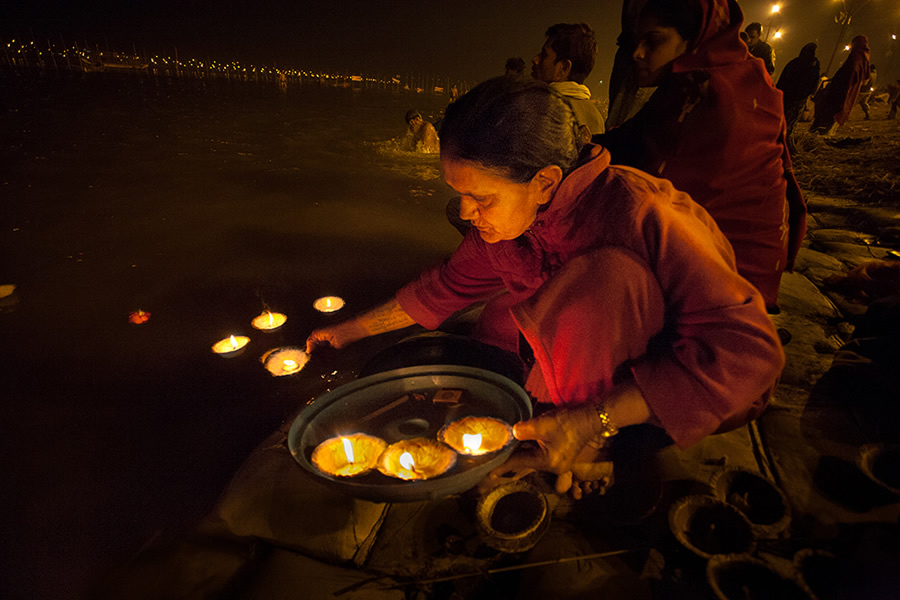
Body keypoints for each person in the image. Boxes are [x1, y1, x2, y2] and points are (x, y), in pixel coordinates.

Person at [306, 77, 785, 499]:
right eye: (460, 196)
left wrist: (592, 422)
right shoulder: (511, 227)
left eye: (481, 197)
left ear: (544, 181)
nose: (467, 213)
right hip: (576, 378)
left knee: (603, 277)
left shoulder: (641, 215)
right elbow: (445, 287)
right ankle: (565, 434)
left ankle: (595, 452)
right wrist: (348, 332)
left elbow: (750, 355)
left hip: (675, 397)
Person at [593, 0, 807, 312]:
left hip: (725, 285)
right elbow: (633, 137)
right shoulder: (738, 75)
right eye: (634, 41)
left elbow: (643, 182)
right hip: (757, 271)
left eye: (653, 40)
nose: (637, 53)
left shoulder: (706, 94)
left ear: (694, 39)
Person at [531, 22, 605, 139]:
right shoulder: (596, 116)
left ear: (564, 68)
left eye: (544, 55)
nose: (535, 59)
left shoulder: (541, 111)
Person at [811, 35, 870, 135]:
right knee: (829, 113)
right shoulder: (863, 58)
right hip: (842, 90)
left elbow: (851, 76)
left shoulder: (856, 58)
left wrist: (840, 88)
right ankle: (821, 133)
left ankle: (820, 134)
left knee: (829, 113)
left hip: (840, 91)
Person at [777, 42, 821, 136]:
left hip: (793, 97)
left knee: (786, 118)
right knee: (787, 119)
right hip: (793, 96)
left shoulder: (799, 63)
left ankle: (782, 136)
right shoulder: (806, 64)